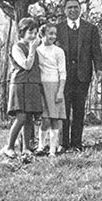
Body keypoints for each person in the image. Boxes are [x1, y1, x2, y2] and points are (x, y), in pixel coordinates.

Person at [56, 0, 102, 151]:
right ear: (64, 10)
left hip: (83, 76)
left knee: (79, 110)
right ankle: (63, 144)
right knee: (63, 111)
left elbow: (97, 52)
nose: (73, 10)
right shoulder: (58, 29)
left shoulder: (90, 28)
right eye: (69, 7)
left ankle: (76, 143)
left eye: (76, 7)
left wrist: (99, 70)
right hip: (63, 78)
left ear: (80, 9)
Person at [0, 18, 43, 158]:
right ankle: (10, 146)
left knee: (29, 117)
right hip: (20, 84)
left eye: (35, 33)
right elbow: (26, 65)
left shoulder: (34, 47)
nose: (33, 36)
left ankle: (26, 148)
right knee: (21, 117)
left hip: (32, 85)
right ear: (22, 32)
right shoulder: (17, 47)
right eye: (30, 32)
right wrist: (32, 49)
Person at [36, 23, 67, 157]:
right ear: (42, 35)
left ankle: (52, 150)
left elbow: (62, 73)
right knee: (45, 119)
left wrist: (60, 91)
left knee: (55, 119)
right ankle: (40, 146)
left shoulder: (58, 51)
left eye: (55, 34)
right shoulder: (37, 50)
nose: (53, 36)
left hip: (55, 87)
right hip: (42, 87)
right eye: (50, 34)